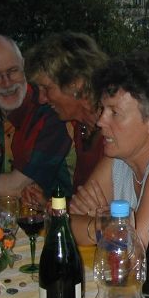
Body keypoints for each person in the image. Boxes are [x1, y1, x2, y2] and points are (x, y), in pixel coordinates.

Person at [68, 51, 149, 247]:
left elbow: (140, 244)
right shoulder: (118, 159)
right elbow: (66, 223)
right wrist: (110, 225)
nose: (101, 121)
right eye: (103, 109)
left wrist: (101, 222)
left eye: (114, 112)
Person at [0, 34, 72, 198]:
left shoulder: (49, 109)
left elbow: (17, 187)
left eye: (13, 71)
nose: (7, 83)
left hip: (52, 210)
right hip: (2, 208)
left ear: (23, 66)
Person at [24, 31, 108, 199]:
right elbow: (82, 204)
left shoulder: (114, 130)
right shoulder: (80, 127)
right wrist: (49, 203)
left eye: (46, 88)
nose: (41, 99)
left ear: (75, 83)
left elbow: (103, 205)